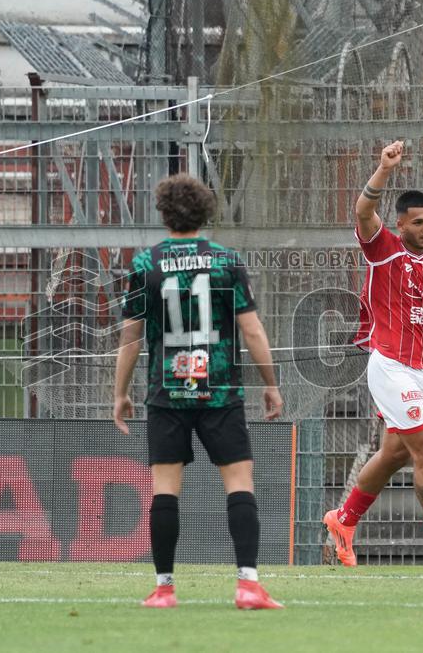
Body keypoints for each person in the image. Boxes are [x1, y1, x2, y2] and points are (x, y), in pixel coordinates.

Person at [113, 173, 284, 609]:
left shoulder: (145, 264)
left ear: (164, 212)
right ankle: (247, 584)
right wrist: (270, 383)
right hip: (220, 389)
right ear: (207, 211)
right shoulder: (226, 261)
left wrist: (120, 393)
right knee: (239, 481)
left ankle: (164, 588)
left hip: (166, 391)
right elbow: (252, 329)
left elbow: (130, 337)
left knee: (165, 488)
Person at [323, 142, 423, 568]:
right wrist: (382, 169)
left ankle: (344, 519)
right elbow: (363, 211)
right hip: (389, 364)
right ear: (400, 224)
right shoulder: (383, 249)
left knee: (396, 453)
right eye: (419, 222)